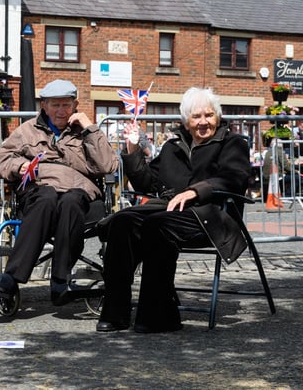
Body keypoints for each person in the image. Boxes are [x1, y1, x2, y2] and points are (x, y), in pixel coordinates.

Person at [96, 87, 252, 333]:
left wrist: (196, 191)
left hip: (211, 215)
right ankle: (116, 313)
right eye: (196, 117)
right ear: (186, 121)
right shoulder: (173, 146)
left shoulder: (232, 143)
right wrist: (132, 151)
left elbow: (235, 178)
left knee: (157, 225)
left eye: (208, 115)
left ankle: (158, 315)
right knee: (122, 221)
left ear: (218, 117)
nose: (203, 122)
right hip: (170, 210)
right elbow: (148, 184)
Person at [0, 79, 119, 306]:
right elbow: (3, 159)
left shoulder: (85, 131)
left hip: (79, 194)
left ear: (75, 105)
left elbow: (108, 166)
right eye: (55, 105)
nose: (61, 111)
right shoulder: (27, 130)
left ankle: (60, 280)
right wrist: (18, 167)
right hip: (39, 191)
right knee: (46, 197)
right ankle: (11, 278)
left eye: (66, 105)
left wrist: (90, 127)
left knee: (70, 200)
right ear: (44, 106)